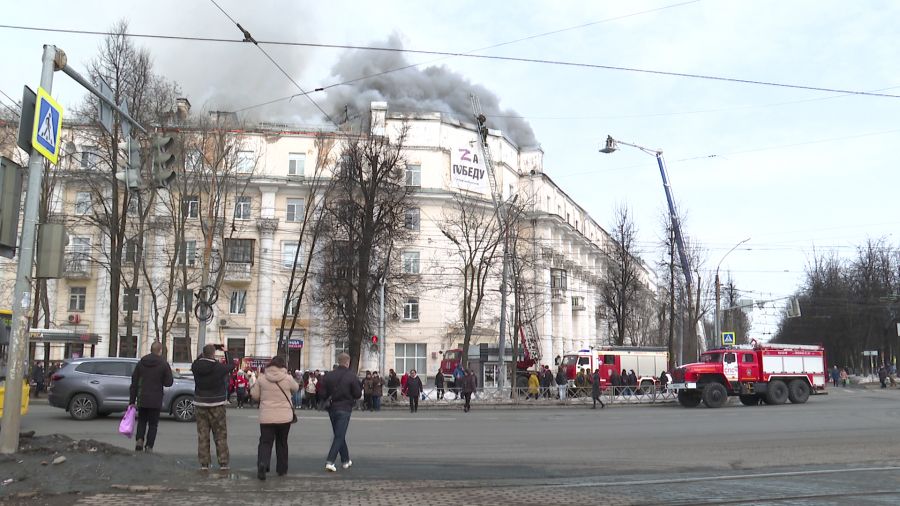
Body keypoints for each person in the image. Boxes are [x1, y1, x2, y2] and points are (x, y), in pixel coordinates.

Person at [250, 356, 299, 480]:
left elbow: (254, 396)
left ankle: (263, 463)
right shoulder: (287, 378)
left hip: (266, 417)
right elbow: (296, 388)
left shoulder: (262, 379)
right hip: (284, 417)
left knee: (265, 442)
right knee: (282, 442)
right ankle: (282, 469)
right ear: (283, 365)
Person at [191, 343, 236, 471]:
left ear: (203, 354)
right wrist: (226, 351)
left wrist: (210, 349)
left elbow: (198, 359)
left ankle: (204, 464)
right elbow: (232, 365)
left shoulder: (195, 366)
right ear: (214, 354)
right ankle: (223, 463)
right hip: (217, 404)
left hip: (200, 403)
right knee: (220, 434)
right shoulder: (218, 367)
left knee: (203, 435)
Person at [128, 341, 174, 453]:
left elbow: (134, 383)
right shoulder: (163, 364)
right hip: (156, 398)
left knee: (142, 421)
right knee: (153, 424)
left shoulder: (141, 362)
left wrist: (132, 401)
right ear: (160, 350)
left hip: (142, 397)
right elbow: (169, 382)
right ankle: (149, 446)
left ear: (150, 349)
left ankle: (139, 440)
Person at [322, 353, 362, 472]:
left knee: (339, 433)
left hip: (332, 408)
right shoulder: (351, 376)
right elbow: (357, 394)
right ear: (347, 362)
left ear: (338, 361)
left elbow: (322, 393)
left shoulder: (329, 376)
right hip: (345, 408)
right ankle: (330, 461)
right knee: (339, 435)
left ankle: (345, 460)